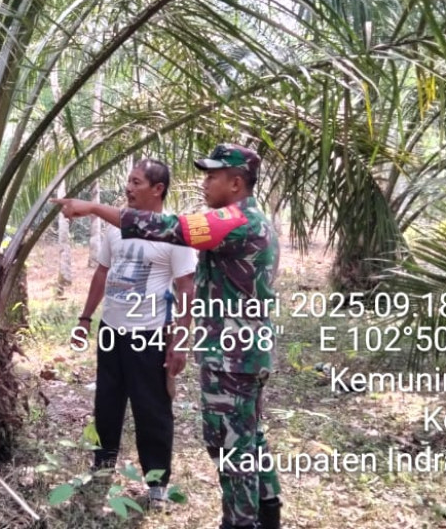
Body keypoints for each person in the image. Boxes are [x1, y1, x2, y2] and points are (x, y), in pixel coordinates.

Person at [54, 144, 283, 529]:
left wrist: (92, 208)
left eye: (213, 176)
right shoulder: (249, 220)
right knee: (249, 438)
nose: (205, 182)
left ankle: (242, 522)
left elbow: (168, 229)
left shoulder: (237, 220)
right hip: (243, 352)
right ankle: (268, 511)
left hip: (233, 356)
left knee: (232, 446)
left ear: (236, 182)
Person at [71, 159, 196, 506]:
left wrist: (180, 341)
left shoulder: (175, 235)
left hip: (149, 333)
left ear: (158, 189)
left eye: (136, 182)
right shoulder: (116, 228)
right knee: (107, 402)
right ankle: (102, 466)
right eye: (128, 180)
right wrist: (85, 319)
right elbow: (102, 274)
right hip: (112, 329)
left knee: (151, 408)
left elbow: (187, 288)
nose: (128, 188)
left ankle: (156, 484)